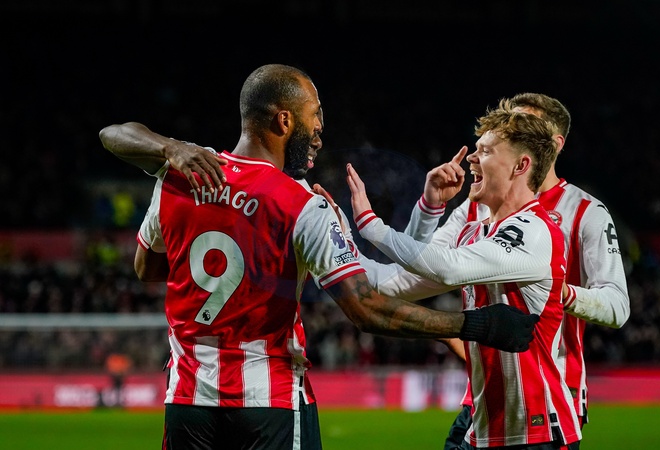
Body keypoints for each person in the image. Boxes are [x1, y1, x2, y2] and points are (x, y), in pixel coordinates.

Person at [98, 63, 539, 450]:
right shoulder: (302, 205)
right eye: (315, 117)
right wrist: (477, 325)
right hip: (269, 402)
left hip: (187, 401)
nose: (320, 131)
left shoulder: (181, 176)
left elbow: (148, 267)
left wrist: (170, 149)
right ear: (284, 120)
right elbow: (367, 308)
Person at [397, 94, 629, 449]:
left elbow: (617, 306)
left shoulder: (586, 211)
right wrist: (427, 208)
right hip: (484, 394)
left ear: (554, 143)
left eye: (524, 124)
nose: (511, 130)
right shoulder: (476, 206)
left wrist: (561, 292)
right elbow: (417, 265)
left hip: (551, 395)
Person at [345, 106, 582, 449]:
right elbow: (397, 281)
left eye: (486, 151)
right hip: (483, 429)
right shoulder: (473, 230)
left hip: (535, 431)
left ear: (520, 166)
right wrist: (338, 244)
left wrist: (370, 225)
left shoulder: (534, 230)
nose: (471, 157)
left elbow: (448, 267)